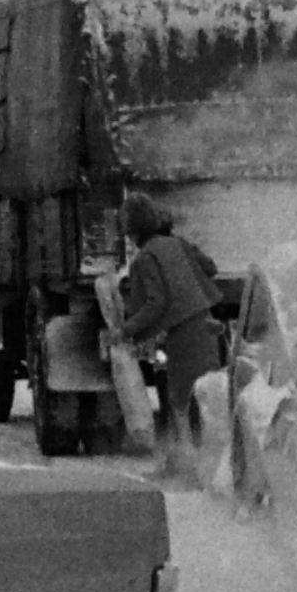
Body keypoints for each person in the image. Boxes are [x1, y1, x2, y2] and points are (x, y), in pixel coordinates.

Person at [106, 194, 229, 483]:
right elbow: (210, 267)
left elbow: (155, 304)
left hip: (182, 332)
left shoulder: (145, 259)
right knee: (204, 396)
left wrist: (123, 331)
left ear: (133, 230)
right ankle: (190, 464)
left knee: (181, 400)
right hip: (208, 324)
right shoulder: (178, 244)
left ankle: (194, 469)